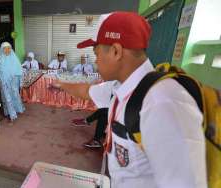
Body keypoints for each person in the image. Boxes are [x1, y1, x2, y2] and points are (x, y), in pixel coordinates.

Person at [52, 12, 207, 188]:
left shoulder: (162, 102)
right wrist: (60, 84)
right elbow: (87, 91)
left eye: (96, 54)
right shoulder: (120, 87)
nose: (95, 62)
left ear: (116, 51)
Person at [0, 42, 25, 121]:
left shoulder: (14, 58)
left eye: (9, 48)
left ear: (11, 49)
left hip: (14, 82)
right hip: (4, 82)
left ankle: (17, 109)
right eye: (5, 48)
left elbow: (20, 71)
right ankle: (11, 113)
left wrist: (20, 82)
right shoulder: (0, 59)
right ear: (2, 50)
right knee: (7, 97)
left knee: (15, 95)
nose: (7, 50)